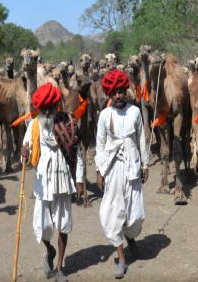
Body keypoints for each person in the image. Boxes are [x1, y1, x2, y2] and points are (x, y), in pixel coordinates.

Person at [21, 82, 83, 282]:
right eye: (43, 108)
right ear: (39, 108)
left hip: (63, 180)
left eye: (51, 108)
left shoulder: (68, 122)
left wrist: (80, 179)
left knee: (63, 224)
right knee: (42, 226)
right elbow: (26, 151)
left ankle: (60, 267)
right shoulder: (33, 125)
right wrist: (23, 153)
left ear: (56, 106)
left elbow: (77, 153)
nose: (47, 112)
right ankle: (50, 250)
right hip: (43, 183)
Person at [95, 69, 149, 278]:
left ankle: (131, 236)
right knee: (113, 211)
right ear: (110, 93)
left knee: (135, 214)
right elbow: (100, 145)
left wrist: (145, 164)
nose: (118, 96)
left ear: (126, 91)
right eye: (115, 92)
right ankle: (121, 258)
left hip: (133, 167)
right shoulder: (105, 116)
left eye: (121, 92)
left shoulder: (135, 112)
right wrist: (99, 171)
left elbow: (141, 139)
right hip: (113, 168)